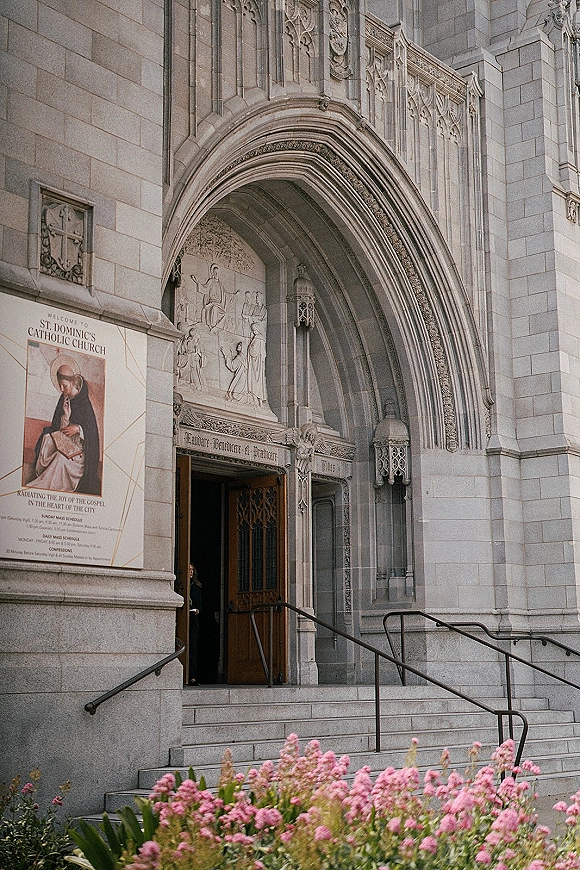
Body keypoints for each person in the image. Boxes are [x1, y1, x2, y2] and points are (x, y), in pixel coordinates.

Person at [26, 361, 101, 495]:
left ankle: (47, 485)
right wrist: (66, 417)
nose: (61, 389)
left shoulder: (84, 403)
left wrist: (78, 429)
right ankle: (45, 477)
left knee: (60, 459)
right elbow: (58, 426)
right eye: (59, 385)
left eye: (64, 385)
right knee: (47, 439)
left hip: (80, 452)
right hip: (67, 442)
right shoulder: (64, 398)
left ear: (72, 382)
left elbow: (92, 434)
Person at [188, 563, 203, 685]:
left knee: (193, 647)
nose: (191, 571)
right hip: (183, 618)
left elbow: (200, 603)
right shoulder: (180, 585)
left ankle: (192, 676)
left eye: (192, 569)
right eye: (189, 569)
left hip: (193, 619)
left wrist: (198, 609)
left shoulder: (196, 587)